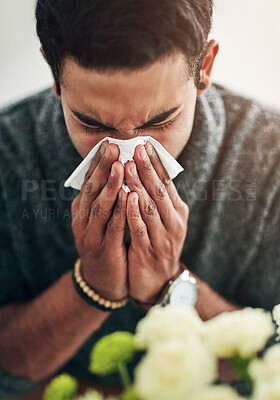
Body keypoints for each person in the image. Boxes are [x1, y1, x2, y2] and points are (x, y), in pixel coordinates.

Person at [0, 0, 280, 398]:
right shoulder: (9, 153)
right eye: (92, 124)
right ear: (54, 73)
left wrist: (169, 286)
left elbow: (272, 365)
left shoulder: (271, 160)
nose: (128, 154)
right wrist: (90, 287)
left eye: (159, 121)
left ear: (205, 67)